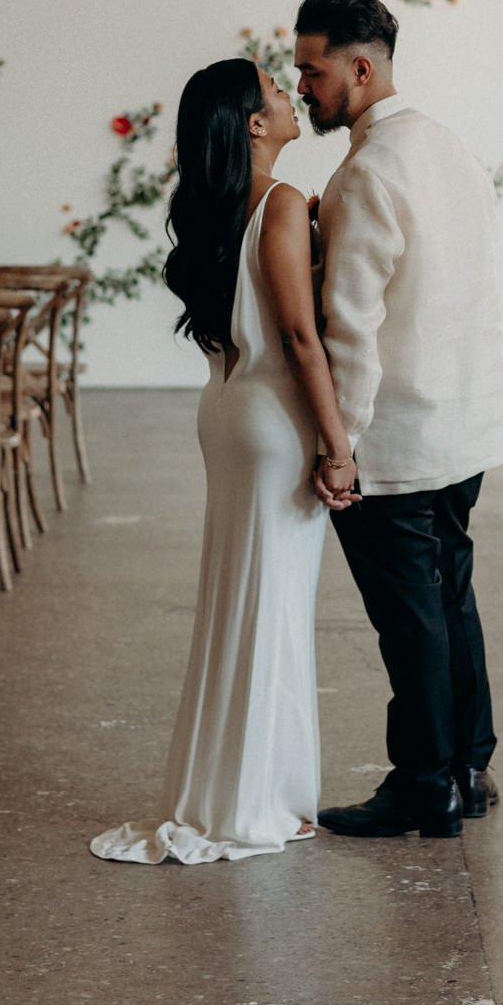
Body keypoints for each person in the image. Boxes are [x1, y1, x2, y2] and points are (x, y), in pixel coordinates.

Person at [90, 58, 358, 865]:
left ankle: (235, 788)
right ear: (251, 121)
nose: (289, 99)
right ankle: (259, 800)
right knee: (270, 609)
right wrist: (339, 446)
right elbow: (303, 339)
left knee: (238, 601)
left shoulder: (227, 209)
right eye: (277, 91)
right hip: (275, 418)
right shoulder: (277, 204)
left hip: (226, 407)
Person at [294, 0, 503, 841]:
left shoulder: (367, 172)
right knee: (450, 595)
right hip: (466, 420)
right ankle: (469, 762)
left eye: (313, 71)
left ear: (361, 66)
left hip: (401, 431)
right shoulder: (448, 148)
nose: (304, 86)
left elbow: (352, 328)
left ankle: (424, 783)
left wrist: (337, 444)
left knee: (409, 616)